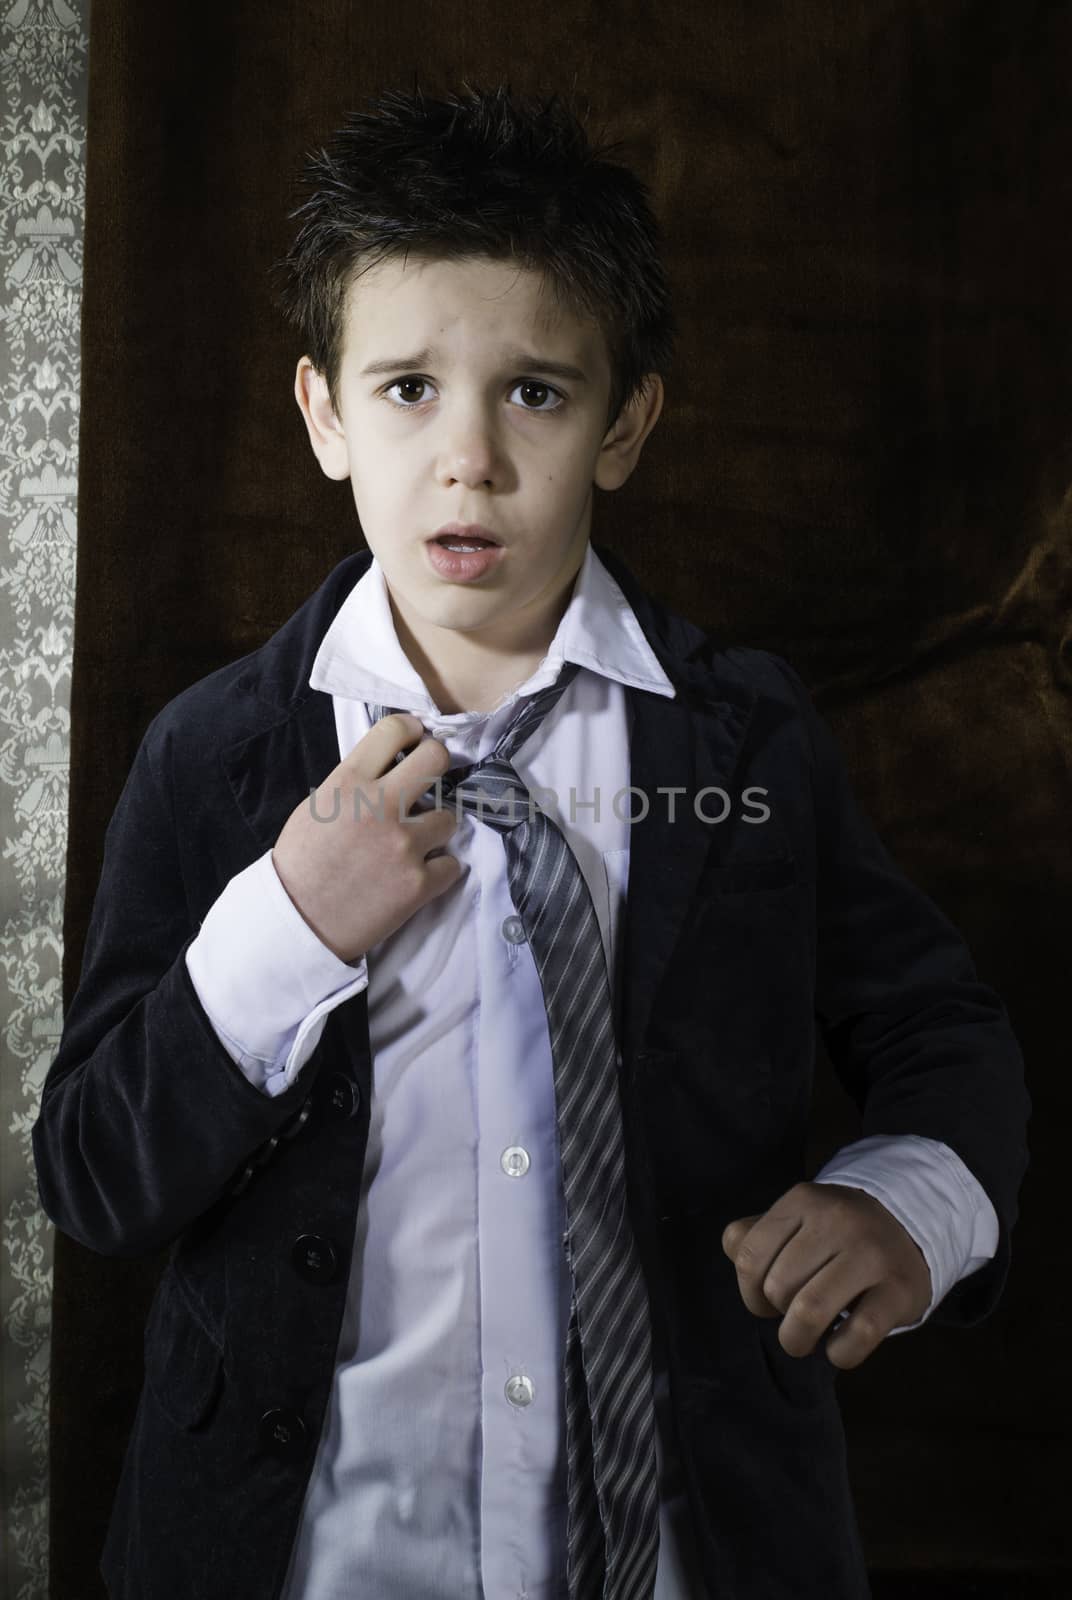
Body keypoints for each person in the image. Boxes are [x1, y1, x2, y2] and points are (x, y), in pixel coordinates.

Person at [31, 80, 1030, 1600]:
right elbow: (97, 1174)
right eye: (409, 388)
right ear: (323, 416)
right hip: (309, 1557)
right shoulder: (214, 752)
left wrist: (905, 1201)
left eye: (538, 394)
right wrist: (288, 924)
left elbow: (941, 1027)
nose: (472, 461)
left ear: (625, 425)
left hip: (702, 1547)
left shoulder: (743, 736)